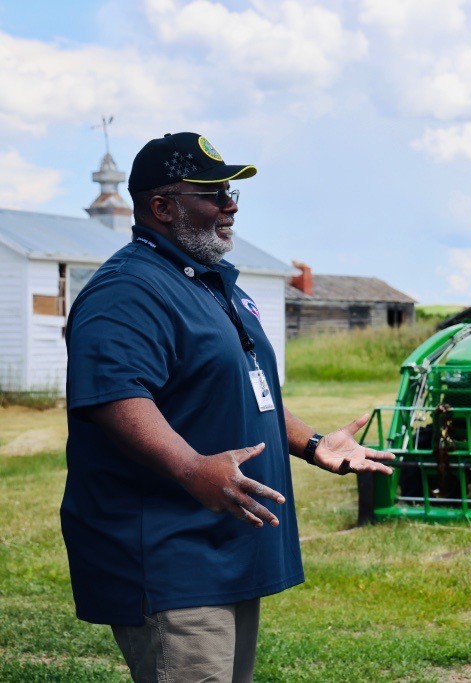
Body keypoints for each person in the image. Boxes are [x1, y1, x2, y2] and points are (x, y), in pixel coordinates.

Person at [60, 132, 395, 682]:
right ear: (162, 207)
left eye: (231, 192)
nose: (230, 205)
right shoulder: (128, 290)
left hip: (226, 549)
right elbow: (114, 396)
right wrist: (192, 467)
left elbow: (245, 385)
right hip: (173, 557)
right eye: (212, 193)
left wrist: (312, 444)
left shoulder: (213, 285)